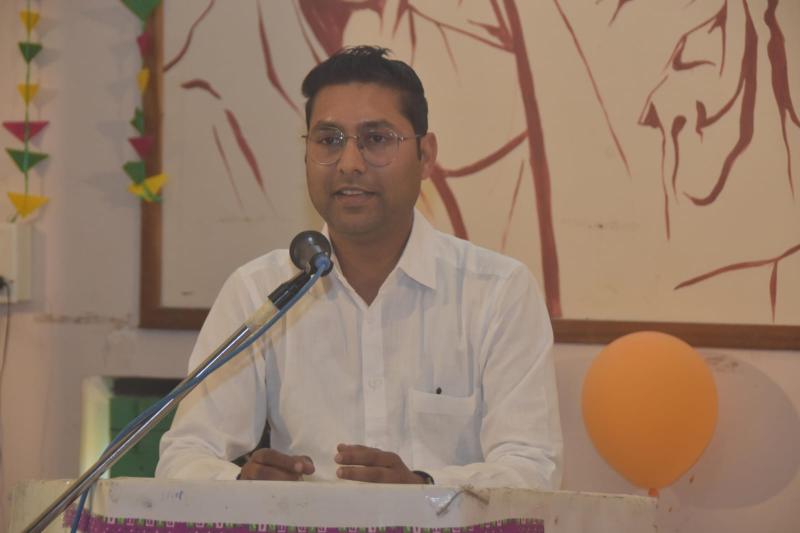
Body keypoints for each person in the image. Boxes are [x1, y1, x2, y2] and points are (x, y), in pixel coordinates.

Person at [156, 46, 563, 489]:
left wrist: (425, 490)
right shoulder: (261, 292)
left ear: (426, 155)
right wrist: (242, 485)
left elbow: (533, 468)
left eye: (377, 139)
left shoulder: (497, 292)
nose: (349, 164)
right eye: (329, 140)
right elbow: (185, 457)